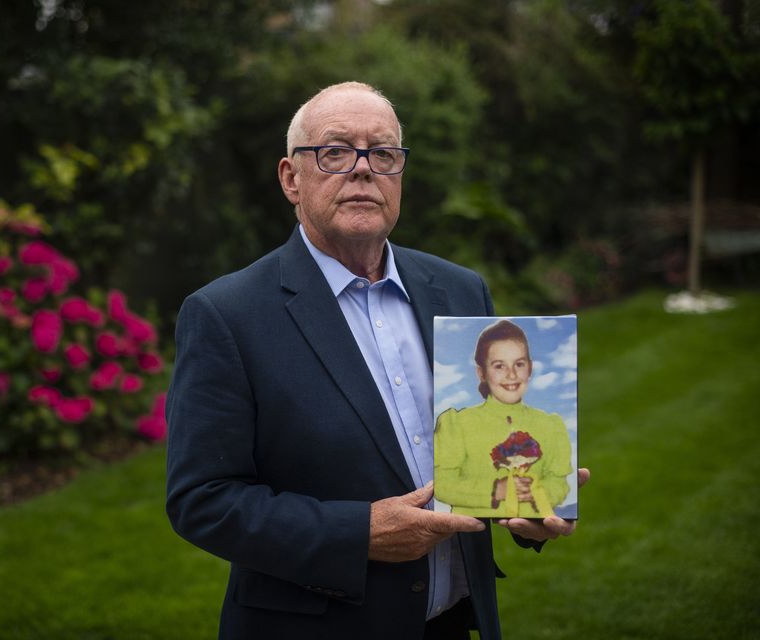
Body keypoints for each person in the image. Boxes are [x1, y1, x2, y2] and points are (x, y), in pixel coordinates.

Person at [166, 82, 588, 640]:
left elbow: (485, 450)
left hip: (457, 624)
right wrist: (358, 532)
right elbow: (203, 500)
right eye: (336, 151)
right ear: (292, 178)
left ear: (399, 176)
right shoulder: (227, 314)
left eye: (383, 153)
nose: (363, 169)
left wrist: (527, 511)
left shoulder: (459, 290)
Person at [434, 320, 574, 519]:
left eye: (519, 364)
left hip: (533, 525)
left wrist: (537, 491)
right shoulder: (457, 423)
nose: (512, 374)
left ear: (530, 368)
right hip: (470, 536)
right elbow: (443, 485)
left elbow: (559, 483)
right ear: (481, 373)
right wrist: (496, 490)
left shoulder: (550, 425)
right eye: (499, 366)